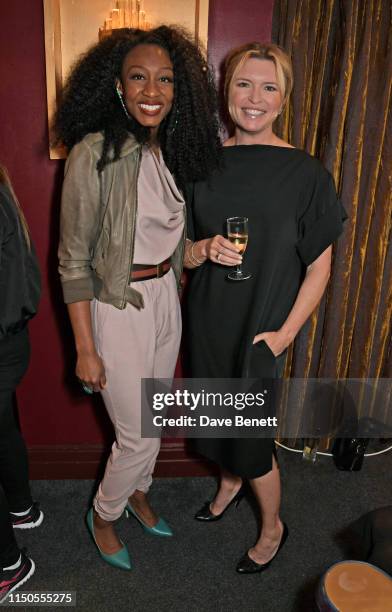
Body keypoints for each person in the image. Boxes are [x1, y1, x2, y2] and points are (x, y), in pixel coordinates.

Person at [55, 26, 220, 570]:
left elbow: (165, 243)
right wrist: (85, 347)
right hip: (117, 306)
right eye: (139, 77)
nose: (154, 89)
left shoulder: (166, 151)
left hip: (163, 299)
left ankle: (138, 494)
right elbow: (73, 260)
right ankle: (103, 513)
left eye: (166, 79)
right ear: (117, 87)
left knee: (155, 418)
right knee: (138, 433)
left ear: (180, 90)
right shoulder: (94, 153)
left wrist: (198, 253)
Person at [184, 43, 347, 573]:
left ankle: (272, 527)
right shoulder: (203, 166)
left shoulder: (306, 174)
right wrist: (203, 249)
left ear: (283, 100)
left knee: (251, 439)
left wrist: (282, 337)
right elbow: (178, 255)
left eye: (269, 87)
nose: (255, 98)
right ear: (225, 92)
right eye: (243, 84)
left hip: (261, 331)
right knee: (215, 421)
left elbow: (320, 270)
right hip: (208, 321)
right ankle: (229, 486)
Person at [0, 164, 42, 603]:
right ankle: (21, 508)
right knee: (4, 427)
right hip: (10, 342)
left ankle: (7, 566)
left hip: (4, 342)